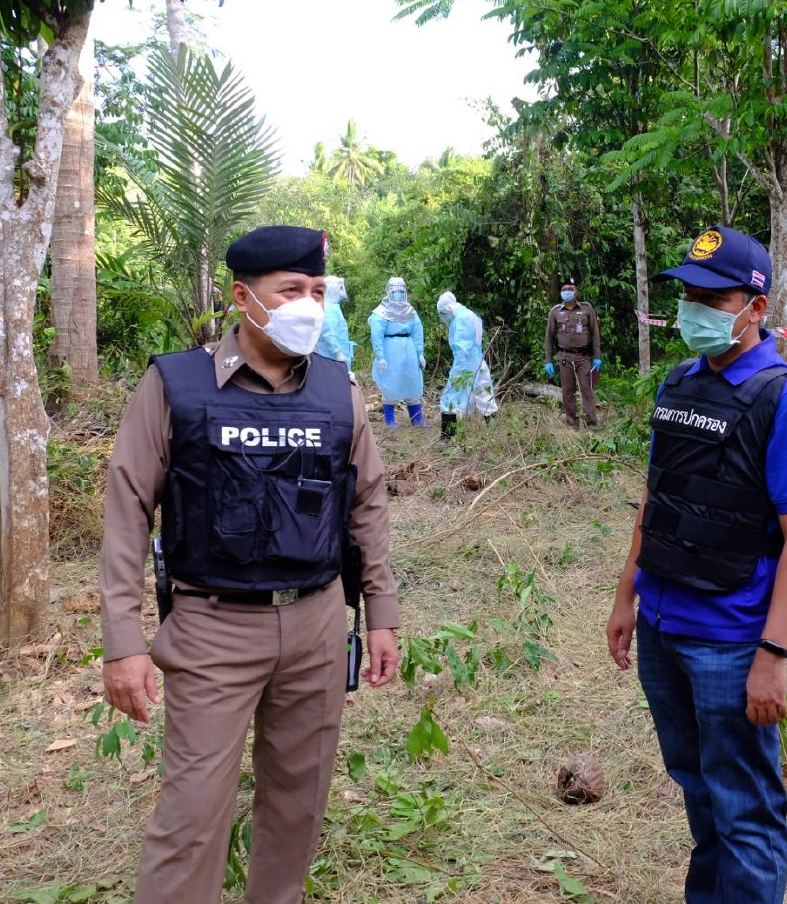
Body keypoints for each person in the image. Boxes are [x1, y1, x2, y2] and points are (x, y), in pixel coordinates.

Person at [98, 225, 401, 904]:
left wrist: (380, 615)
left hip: (318, 623)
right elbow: (127, 512)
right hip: (213, 630)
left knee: (298, 806)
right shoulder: (175, 384)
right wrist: (122, 643)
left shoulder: (336, 391)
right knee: (192, 817)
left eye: (318, 291)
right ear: (242, 296)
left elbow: (367, 507)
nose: (309, 305)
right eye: (291, 290)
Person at [605, 225, 787, 904]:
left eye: (715, 295)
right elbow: (657, 498)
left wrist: (773, 653)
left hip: (731, 642)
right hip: (664, 627)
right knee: (699, 791)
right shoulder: (678, 385)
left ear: (757, 307)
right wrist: (627, 597)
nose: (696, 309)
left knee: (746, 810)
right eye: (689, 294)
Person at [436, 290, 498, 440]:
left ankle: (447, 437)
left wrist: (458, 371)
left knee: (451, 396)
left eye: (443, 313)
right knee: (484, 393)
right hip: (477, 361)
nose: (444, 317)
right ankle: (494, 430)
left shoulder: (460, 319)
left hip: (466, 364)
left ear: (448, 309)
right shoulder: (469, 314)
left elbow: (462, 349)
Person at [369, 277, 427, 428]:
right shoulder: (381, 312)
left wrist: (420, 353)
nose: (399, 294)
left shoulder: (410, 311)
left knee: (413, 382)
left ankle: (417, 420)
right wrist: (380, 356)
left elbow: (417, 331)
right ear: (389, 292)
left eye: (401, 291)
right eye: (395, 291)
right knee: (391, 384)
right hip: (390, 350)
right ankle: (390, 420)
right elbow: (377, 335)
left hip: (409, 349)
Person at [544, 279, 601, 428]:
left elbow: (595, 334)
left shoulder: (587, 309)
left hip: (584, 357)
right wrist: (548, 360)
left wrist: (597, 357)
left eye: (570, 289)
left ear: (576, 292)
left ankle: (591, 424)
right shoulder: (556, 311)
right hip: (564, 357)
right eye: (564, 289)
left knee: (587, 390)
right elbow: (549, 337)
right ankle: (572, 424)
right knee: (567, 391)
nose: (567, 292)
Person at [317, 274, 354, 365]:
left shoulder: (332, 306)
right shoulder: (328, 307)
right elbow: (328, 332)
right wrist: (337, 352)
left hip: (336, 352)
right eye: (339, 288)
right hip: (330, 355)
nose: (341, 291)